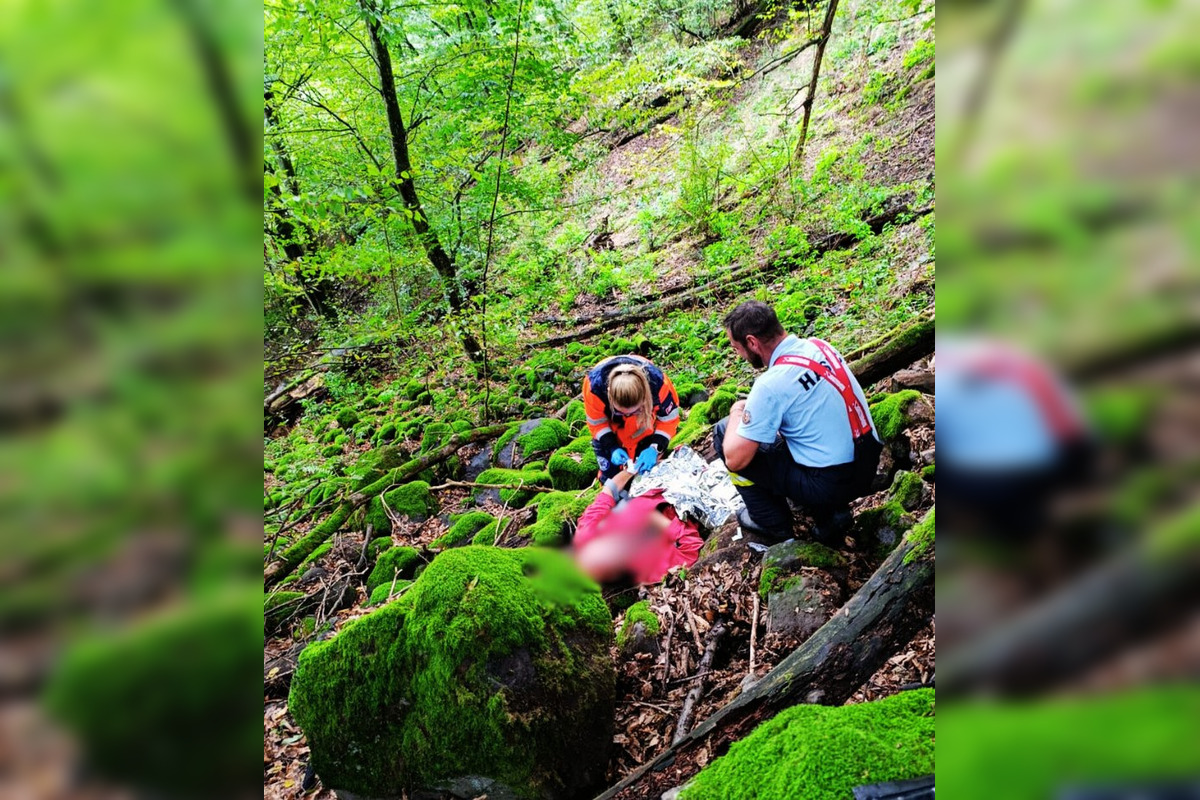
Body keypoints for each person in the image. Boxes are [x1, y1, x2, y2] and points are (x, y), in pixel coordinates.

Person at [715, 301, 883, 543]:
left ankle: (772, 523)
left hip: (831, 483)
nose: (739, 355)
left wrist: (736, 411)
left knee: (724, 432)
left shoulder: (770, 385)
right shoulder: (819, 346)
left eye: (736, 348)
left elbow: (735, 458)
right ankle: (830, 515)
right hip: (867, 460)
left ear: (752, 342)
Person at [573, 464, 703, 584]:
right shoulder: (648, 570)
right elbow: (690, 549)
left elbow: (609, 491)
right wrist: (665, 523)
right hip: (687, 497)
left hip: (649, 481)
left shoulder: (587, 531)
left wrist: (634, 468)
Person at [583, 355, 680, 481]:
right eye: (621, 412)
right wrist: (612, 447)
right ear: (609, 396)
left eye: (635, 411)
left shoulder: (659, 385)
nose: (628, 416)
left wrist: (655, 447)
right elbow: (597, 424)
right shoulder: (594, 389)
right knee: (610, 477)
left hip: (644, 425)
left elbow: (669, 421)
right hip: (611, 430)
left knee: (646, 475)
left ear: (645, 396)